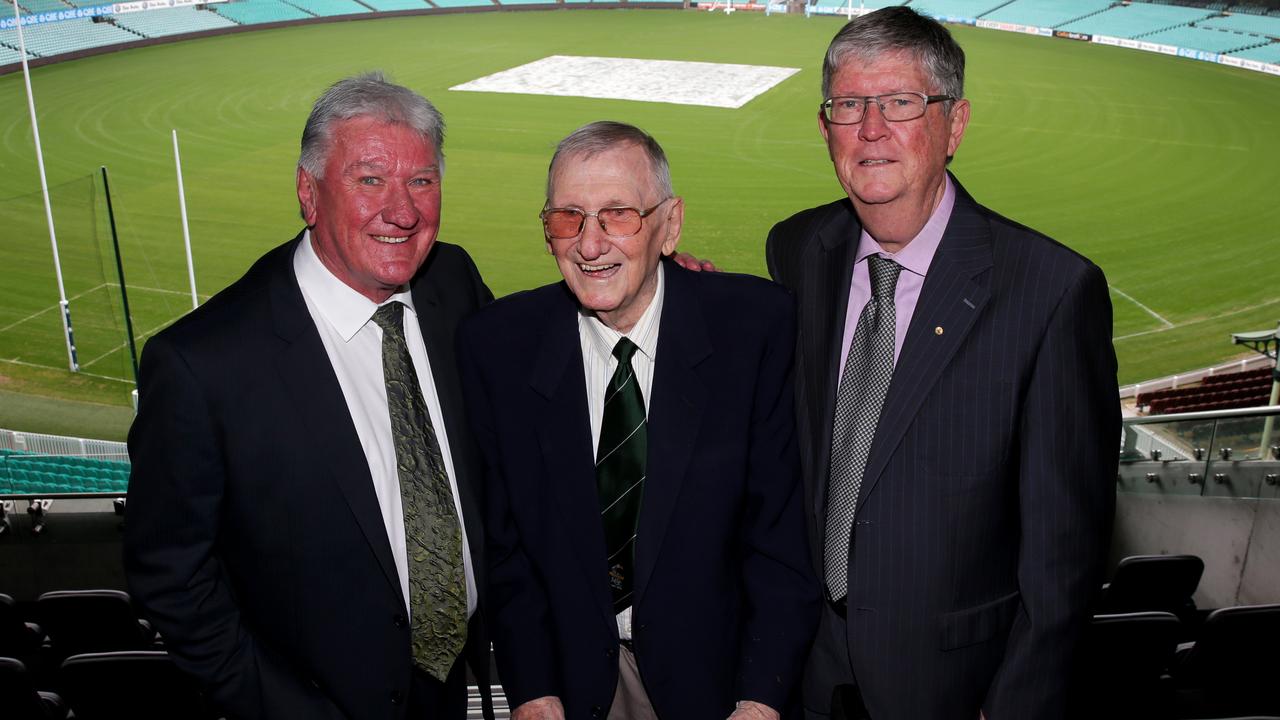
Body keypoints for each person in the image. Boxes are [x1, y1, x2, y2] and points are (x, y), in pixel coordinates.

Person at [765, 8, 1120, 720]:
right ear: (824, 124)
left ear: (953, 125)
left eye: (899, 103)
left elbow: (1065, 557)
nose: (870, 130)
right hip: (805, 674)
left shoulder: (1052, 293)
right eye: (849, 105)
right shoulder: (798, 250)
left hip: (952, 689)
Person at [122, 72, 494, 720]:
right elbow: (171, 575)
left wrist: (649, 293)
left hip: (452, 687)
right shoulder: (202, 365)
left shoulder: (453, 282)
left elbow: (532, 372)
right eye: (369, 179)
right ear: (308, 192)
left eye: (422, 181)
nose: (402, 211)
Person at [457, 121, 819, 720]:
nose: (590, 244)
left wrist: (760, 700)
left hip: (723, 687)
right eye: (567, 217)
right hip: (568, 690)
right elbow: (506, 546)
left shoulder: (754, 329)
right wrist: (532, 691)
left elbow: (781, 539)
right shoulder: (498, 346)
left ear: (670, 226)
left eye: (618, 215)